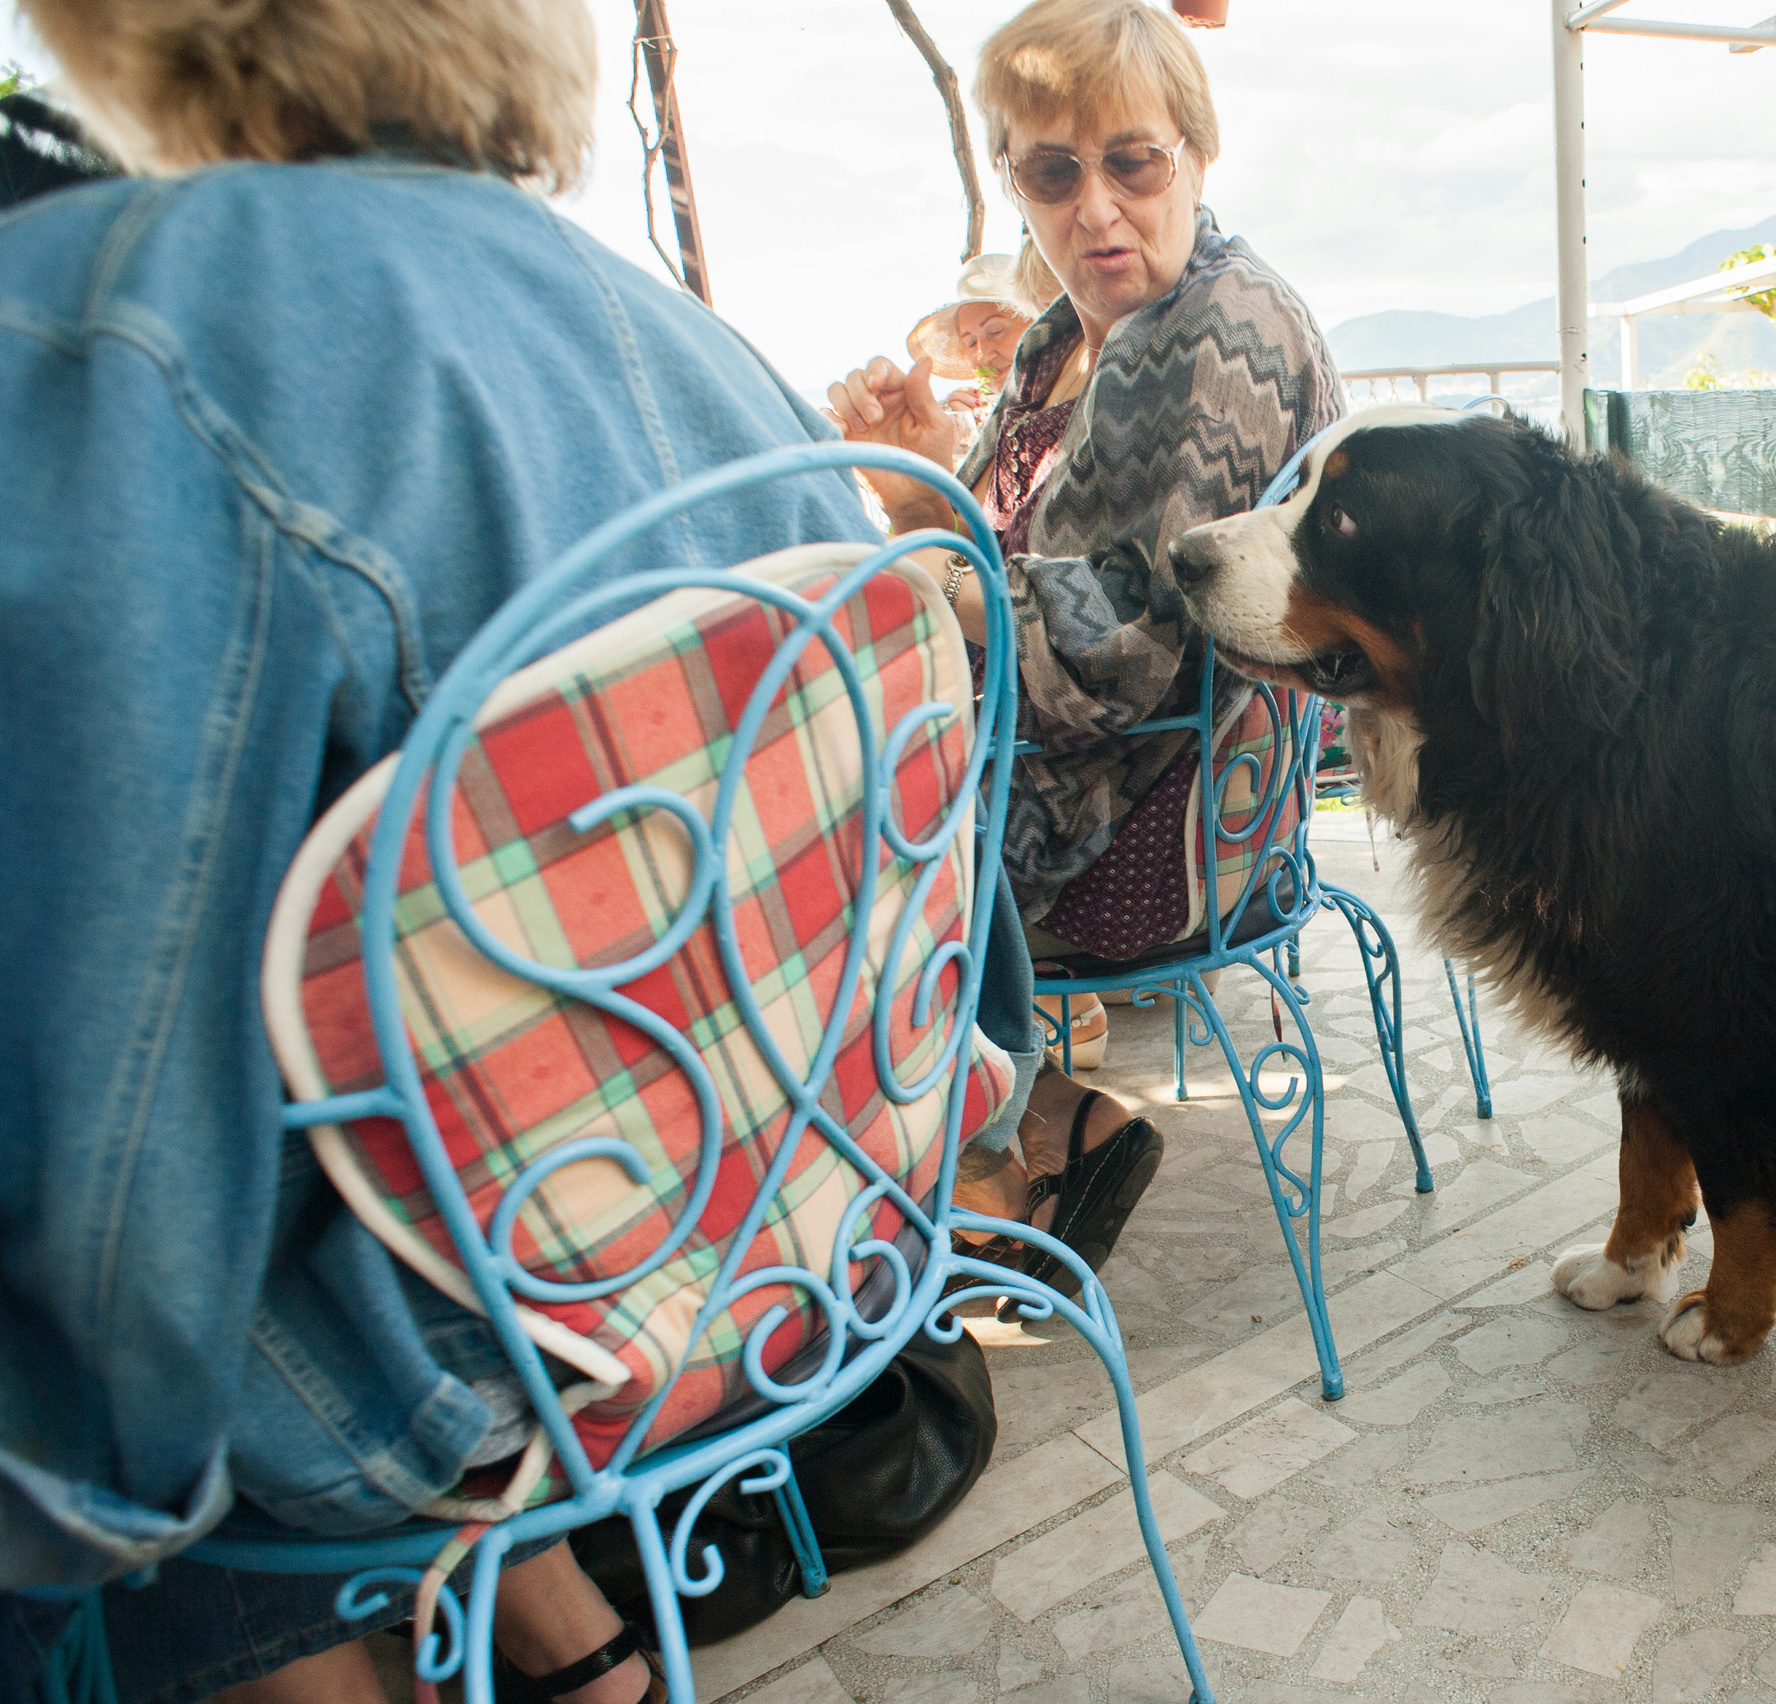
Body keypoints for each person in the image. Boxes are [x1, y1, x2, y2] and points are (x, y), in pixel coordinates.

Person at [0, 2, 940, 1699]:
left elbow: (105, 1144)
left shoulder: (122, 321)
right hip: (784, 1249)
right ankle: (568, 1647)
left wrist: (58, 1490)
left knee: (137, 1345)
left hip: (481, 1338)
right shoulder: (729, 365)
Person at [828, 0, 1344, 1293]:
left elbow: (1102, 655)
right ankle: (1015, 1129)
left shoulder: (1214, 336)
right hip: (1082, 759)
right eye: (1055, 174)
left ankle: (1008, 1144)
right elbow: (1023, 563)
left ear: (1197, 154)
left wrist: (926, 589)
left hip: (1156, 813)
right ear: (1014, 180)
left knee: (800, 862)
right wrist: (915, 495)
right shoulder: (1072, 336)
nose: (1097, 210)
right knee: (785, 814)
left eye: (1134, 162)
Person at [899, 250, 1037, 453]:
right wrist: (963, 439)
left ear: (1037, 322)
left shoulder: (1075, 392)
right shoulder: (976, 415)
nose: (981, 355)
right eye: (971, 343)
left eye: (995, 331)